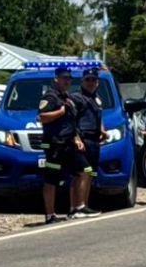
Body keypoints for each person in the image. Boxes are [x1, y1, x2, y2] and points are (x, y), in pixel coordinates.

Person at [38, 66, 86, 224]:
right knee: (51, 179)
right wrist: (60, 112)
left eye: (69, 79)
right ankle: (50, 215)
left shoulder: (68, 98)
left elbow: (71, 123)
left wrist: (77, 138)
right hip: (55, 145)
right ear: (56, 79)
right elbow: (42, 117)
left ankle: (76, 208)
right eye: (64, 78)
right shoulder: (50, 97)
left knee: (83, 171)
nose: (67, 81)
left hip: (69, 144)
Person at [69, 67, 105, 218]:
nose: (91, 83)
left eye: (93, 80)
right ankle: (77, 207)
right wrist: (76, 138)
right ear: (82, 81)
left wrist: (103, 130)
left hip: (94, 140)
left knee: (89, 174)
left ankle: (84, 205)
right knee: (81, 173)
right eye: (88, 80)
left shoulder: (96, 98)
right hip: (81, 140)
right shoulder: (75, 98)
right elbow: (70, 121)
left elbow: (98, 117)